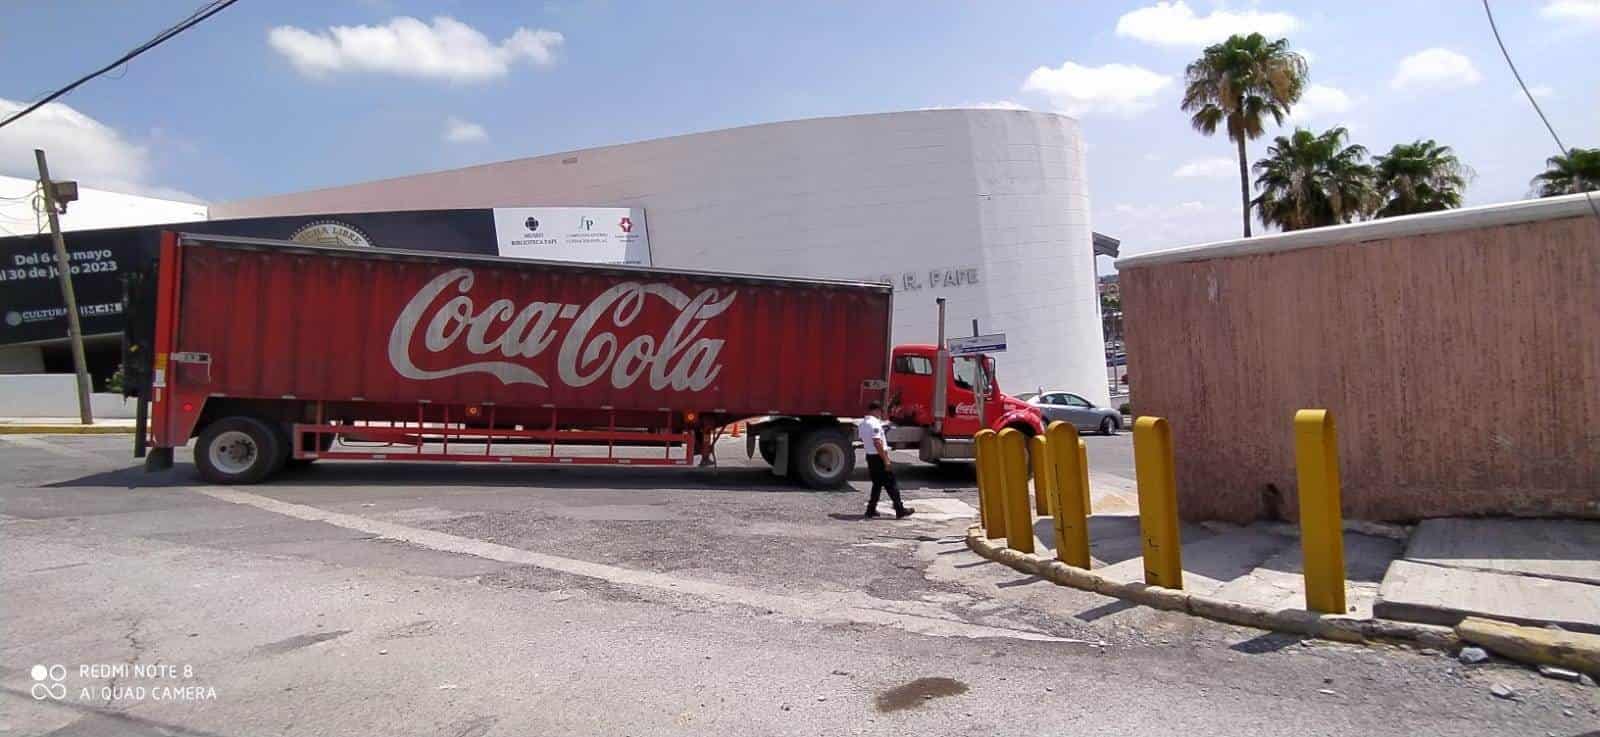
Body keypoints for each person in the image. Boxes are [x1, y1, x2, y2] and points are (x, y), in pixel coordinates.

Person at [858, 401, 913, 519]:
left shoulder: (862, 424)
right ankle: (899, 509)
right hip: (879, 457)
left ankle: (871, 510)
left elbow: (864, 441)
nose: (881, 414)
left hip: (870, 456)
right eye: (880, 412)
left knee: (877, 484)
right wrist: (886, 460)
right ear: (877, 410)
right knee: (891, 484)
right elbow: (877, 442)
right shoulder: (875, 424)